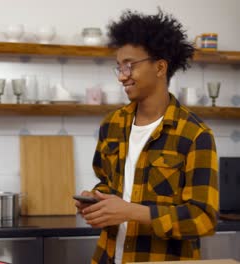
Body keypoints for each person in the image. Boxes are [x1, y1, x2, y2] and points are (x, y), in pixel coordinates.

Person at [75, 9, 219, 264]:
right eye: (118, 67)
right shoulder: (112, 125)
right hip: (108, 257)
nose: (122, 76)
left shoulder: (195, 134)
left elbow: (203, 219)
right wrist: (96, 199)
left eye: (129, 65)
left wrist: (131, 212)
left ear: (160, 66)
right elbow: (109, 184)